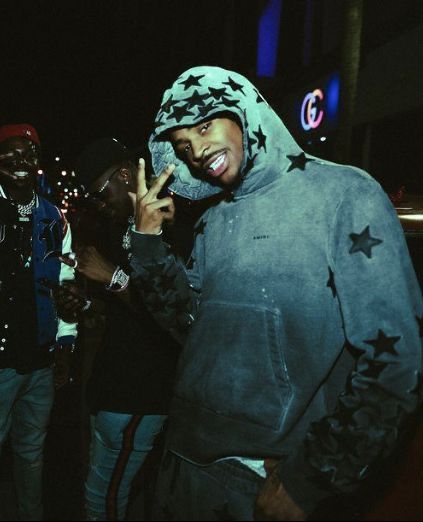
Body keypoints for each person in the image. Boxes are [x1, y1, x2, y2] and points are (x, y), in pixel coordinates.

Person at [129, 67, 423, 520]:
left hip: (259, 478)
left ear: (245, 110)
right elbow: (188, 328)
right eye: (184, 145)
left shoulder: (345, 194)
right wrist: (147, 244)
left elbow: (397, 361)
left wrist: (312, 477)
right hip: (182, 460)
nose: (197, 150)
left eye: (205, 126)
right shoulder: (212, 221)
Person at [58, 138, 180, 521]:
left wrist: (112, 277)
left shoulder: (170, 219)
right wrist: (87, 302)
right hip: (113, 385)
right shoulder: (118, 226)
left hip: (142, 393)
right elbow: (124, 312)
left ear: (125, 175)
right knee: (109, 491)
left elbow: (175, 315)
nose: (99, 203)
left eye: (100, 192)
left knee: (104, 500)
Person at [0, 123, 77, 521]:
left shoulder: (53, 217)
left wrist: (65, 343)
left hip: (41, 361)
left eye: (29, 155)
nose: (20, 163)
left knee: (31, 454)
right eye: (10, 155)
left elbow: (65, 283)